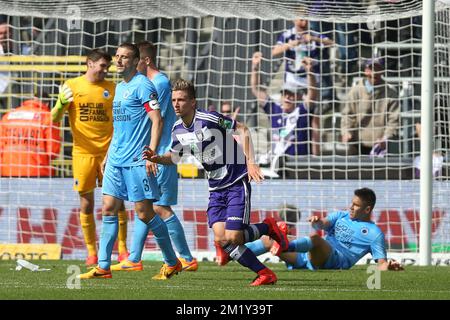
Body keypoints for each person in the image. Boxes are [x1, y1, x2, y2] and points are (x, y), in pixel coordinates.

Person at [144, 78, 289, 286]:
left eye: (182, 100)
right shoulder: (177, 129)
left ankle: (269, 227)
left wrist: (250, 163)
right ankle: (265, 273)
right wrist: (156, 158)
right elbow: (175, 158)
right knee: (221, 239)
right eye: (174, 100)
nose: (176, 104)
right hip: (215, 187)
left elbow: (243, 130)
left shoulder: (209, 118)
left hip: (236, 181)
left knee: (234, 237)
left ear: (193, 102)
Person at [78, 42, 181, 280]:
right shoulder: (120, 87)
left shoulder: (143, 86)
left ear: (136, 62)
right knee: (108, 208)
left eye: (125, 57)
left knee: (145, 213)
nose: (120, 60)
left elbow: (157, 120)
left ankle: (172, 261)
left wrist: (152, 153)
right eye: (118, 56)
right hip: (116, 159)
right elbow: (119, 126)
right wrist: (107, 155)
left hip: (136, 160)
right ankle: (103, 266)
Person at [111, 40, 197, 272]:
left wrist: (152, 153)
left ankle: (187, 258)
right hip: (152, 152)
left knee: (159, 208)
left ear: (144, 61)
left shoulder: (156, 83)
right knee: (146, 206)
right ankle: (134, 257)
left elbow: (153, 120)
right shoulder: (151, 82)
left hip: (161, 153)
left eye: (133, 60)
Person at [51, 49, 129, 266]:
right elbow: (55, 118)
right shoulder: (72, 87)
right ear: (90, 63)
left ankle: (123, 250)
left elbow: (121, 122)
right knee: (86, 205)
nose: (106, 70)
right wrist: (59, 104)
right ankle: (91, 252)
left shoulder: (113, 89)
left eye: (108, 67)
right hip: (83, 153)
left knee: (115, 203)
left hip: (110, 154)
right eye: (103, 66)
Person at [246, 188, 404, 271]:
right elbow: (323, 224)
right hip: (309, 256)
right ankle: (231, 253)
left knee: (315, 239)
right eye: (351, 202)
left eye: (356, 205)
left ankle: (284, 244)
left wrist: (389, 266)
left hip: (334, 261)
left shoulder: (375, 234)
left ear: (367, 209)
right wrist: (317, 221)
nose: (351, 206)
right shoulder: (342, 215)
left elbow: (381, 263)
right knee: (269, 240)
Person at [251, 51, 318, 160]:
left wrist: (310, 72)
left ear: (299, 97)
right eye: (285, 94)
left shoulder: (302, 111)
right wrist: (255, 68)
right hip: (277, 162)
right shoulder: (274, 109)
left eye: (291, 95)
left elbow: (312, 94)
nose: (287, 97)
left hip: (299, 163)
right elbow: (256, 89)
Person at [341, 58, 400, 155]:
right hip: (357, 143)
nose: (374, 73)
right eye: (371, 69)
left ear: (382, 71)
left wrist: (386, 137)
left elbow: (394, 120)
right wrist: (346, 132)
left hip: (380, 146)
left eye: (377, 69)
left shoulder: (391, 93)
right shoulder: (355, 91)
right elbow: (348, 114)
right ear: (365, 71)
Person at [0, 94, 60, 177]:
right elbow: (53, 152)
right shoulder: (48, 117)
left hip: (8, 172)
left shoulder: (7, 117)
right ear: (47, 104)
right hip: (37, 173)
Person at [272, 18, 333, 97]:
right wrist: (290, 44)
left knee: (311, 107)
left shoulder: (314, 34)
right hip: (293, 79)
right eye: (301, 20)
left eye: (307, 20)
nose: (304, 23)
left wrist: (314, 39)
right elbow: (274, 51)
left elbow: (332, 43)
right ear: (294, 20)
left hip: (312, 79)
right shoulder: (288, 35)